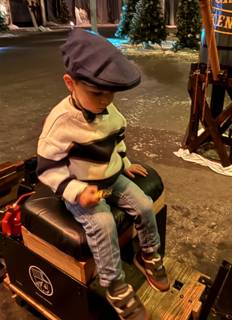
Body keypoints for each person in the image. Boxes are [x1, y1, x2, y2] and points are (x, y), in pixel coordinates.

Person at [36, 28, 169, 320]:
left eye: (111, 93)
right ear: (70, 83)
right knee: (104, 224)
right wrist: (76, 192)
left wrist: (124, 161)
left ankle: (148, 255)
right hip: (82, 188)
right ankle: (115, 287)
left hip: (112, 178)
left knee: (145, 204)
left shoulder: (109, 110)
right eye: (97, 92)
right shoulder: (60, 122)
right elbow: (48, 168)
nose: (105, 100)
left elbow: (117, 137)